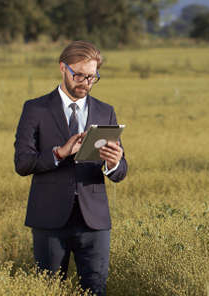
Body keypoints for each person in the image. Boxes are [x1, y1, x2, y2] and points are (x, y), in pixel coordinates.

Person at [14, 40, 127, 296]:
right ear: (62, 68)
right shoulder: (35, 109)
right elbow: (22, 163)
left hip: (94, 222)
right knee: (49, 291)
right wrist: (59, 152)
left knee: (96, 291)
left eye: (92, 77)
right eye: (79, 75)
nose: (85, 82)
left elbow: (121, 172)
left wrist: (114, 163)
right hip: (49, 219)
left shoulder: (105, 111)